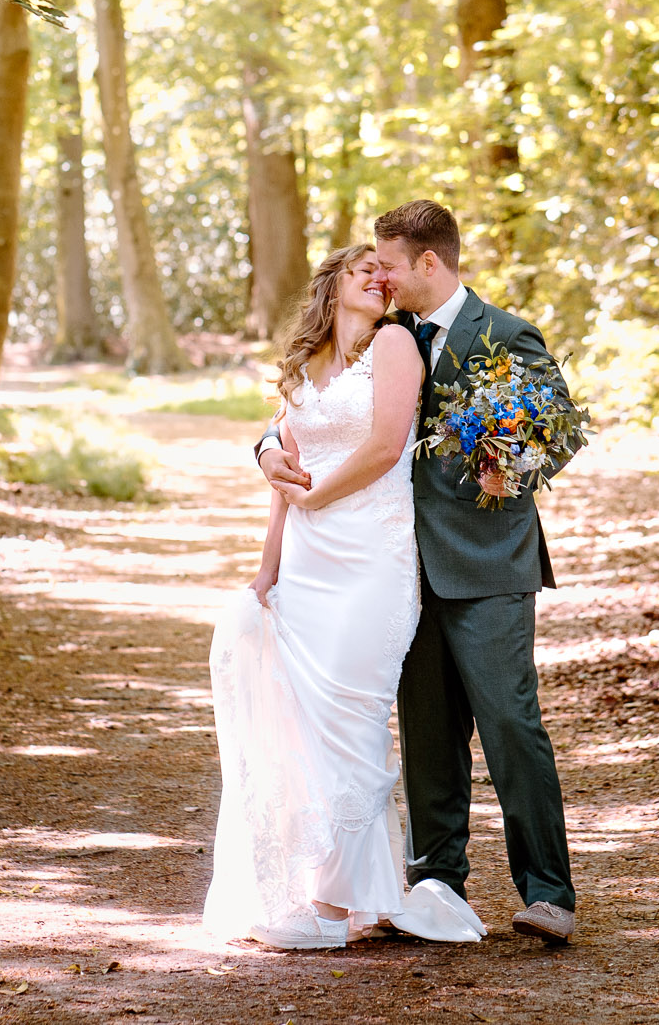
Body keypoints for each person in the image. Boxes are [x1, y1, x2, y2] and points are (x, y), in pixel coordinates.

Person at [260, 200, 579, 946]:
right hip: (398, 568)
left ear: (427, 262)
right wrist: (263, 451)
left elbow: (554, 431)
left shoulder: (505, 334)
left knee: (509, 721)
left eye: (392, 265)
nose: (384, 277)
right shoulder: (391, 335)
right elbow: (314, 406)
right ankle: (436, 882)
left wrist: (513, 464)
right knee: (428, 734)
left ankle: (549, 891)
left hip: (487, 563)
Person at [204, 245, 486, 950]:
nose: (375, 276)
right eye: (360, 268)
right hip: (306, 564)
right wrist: (266, 572)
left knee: (355, 716)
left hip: (371, 559)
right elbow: (283, 472)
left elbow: (387, 446)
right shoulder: (303, 367)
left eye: (379, 271)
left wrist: (315, 497)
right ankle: (341, 891)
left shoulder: (394, 343)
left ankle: (334, 907)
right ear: (331, 285)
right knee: (307, 723)